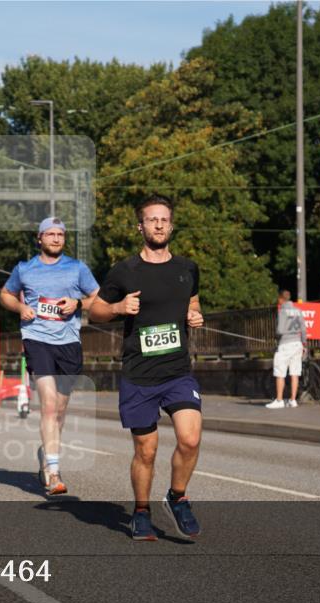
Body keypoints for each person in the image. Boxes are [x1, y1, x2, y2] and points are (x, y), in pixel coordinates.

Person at [90, 195, 204, 540]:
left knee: (190, 437)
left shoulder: (187, 268)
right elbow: (95, 311)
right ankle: (141, 510)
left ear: (171, 225)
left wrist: (195, 315)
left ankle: (177, 497)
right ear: (140, 226)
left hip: (177, 371)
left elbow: (194, 302)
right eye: (152, 220)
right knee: (147, 450)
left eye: (164, 219)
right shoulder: (125, 271)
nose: (158, 225)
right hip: (139, 373)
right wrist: (119, 307)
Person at [0, 217, 100, 496]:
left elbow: (98, 297)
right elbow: (5, 294)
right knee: (48, 404)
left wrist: (79, 303)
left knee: (60, 411)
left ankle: (47, 451)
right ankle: (53, 472)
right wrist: (20, 308)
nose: (56, 239)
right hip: (37, 339)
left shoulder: (77, 268)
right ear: (39, 238)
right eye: (50, 234)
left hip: (69, 342)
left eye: (60, 235)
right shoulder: (25, 269)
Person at [267, 289, 307, 409]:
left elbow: (280, 330)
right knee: (295, 372)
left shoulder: (282, 311)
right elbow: (304, 329)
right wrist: (304, 344)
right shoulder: (298, 311)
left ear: (281, 299)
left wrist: (276, 338)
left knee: (280, 372)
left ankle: (279, 400)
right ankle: (293, 400)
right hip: (297, 344)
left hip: (285, 344)